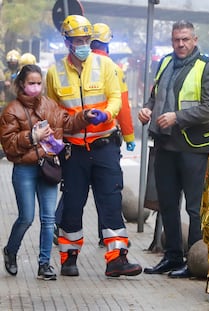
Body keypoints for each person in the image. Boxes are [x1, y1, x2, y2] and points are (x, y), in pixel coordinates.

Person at [46, 14, 142, 278]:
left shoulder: (106, 66)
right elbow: (52, 112)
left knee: (111, 200)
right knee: (73, 203)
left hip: (105, 146)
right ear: (67, 41)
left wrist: (107, 115)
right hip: (73, 150)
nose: (84, 44)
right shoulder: (55, 73)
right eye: (79, 40)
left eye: (87, 39)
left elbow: (116, 99)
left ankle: (117, 259)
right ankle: (69, 257)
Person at [0, 64, 100, 280]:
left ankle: (44, 264)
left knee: (48, 219)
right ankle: (11, 250)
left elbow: (68, 123)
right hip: (25, 169)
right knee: (26, 217)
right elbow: (8, 145)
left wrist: (84, 116)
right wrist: (32, 137)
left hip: (48, 168)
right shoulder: (11, 110)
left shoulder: (50, 105)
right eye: (31, 83)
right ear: (21, 84)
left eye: (38, 83)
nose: (35, 87)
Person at [138, 20, 209, 278]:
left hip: (193, 148)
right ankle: (172, 256)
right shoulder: (165, 62)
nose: (181, 44)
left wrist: (178, 116)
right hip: (165, 145)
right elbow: (155, 95)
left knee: (195, 208)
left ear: (195, 40)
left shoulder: (207, 68)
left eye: (185, 39)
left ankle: (194, 261)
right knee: (167, 204)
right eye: (176, 40)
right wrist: (147, 109)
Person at [90, 22, 136, 247]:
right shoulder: (114, 68)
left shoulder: (82, 65)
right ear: (108, 42)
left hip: (80, 139)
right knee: (108, 190)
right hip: (106, 137)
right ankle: (106, 235)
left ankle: (59, 225)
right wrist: (129, 137)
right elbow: (124, 107)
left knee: (76, 190)